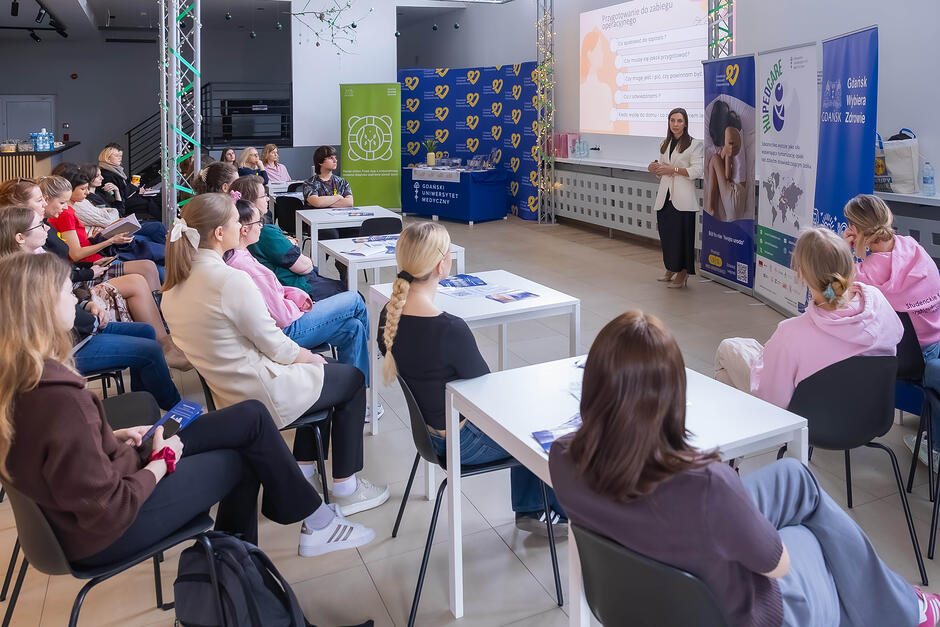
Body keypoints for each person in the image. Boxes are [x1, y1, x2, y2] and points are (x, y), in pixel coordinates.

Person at [550, 310, 940, 627]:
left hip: (641, 601)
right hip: (746, 616)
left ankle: (901, 606)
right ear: (672, 396)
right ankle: (907, 612)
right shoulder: (705, 485)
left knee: (796, 478)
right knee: (816, 538)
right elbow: (777, 565)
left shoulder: (564, 458)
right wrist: (751, 531)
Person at [0, 252, 377, 567]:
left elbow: (62, 454)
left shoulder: (22, 378)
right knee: (244, 455)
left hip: (97, 497)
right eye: (69, 293)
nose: (81, 301)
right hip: (109, 528)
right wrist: (159, 463)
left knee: (250, 417)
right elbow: (108, 506)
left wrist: (110, 437)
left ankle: (294, 531)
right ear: (42, 308)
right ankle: (247, 563)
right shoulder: (58, 397)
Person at [160, 193, 388, 514]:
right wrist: (311, 359)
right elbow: (275, 343)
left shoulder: (173, 290)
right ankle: (347, 487)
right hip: (264, 390)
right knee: (348, 379)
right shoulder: (228, 280)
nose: (243, 225)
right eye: (237, 221)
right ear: (219, 233)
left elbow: (196, 353)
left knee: (332, 373)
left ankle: (306, 468)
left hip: (231, 396)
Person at [378, 222, 567, 533]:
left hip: (428, 435)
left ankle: (534, 507)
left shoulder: (389, 316)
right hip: (462, 441)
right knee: (542, 418)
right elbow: (487, 395)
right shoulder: (449, 329)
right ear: (442, 264)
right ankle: (539, 510)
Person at [0, 208, 182, 409]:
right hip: (64, 345)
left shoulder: (32, 262)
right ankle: (175, 408)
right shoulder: (22, 275)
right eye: (40, 225)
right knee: (151, 350)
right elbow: (55, 320)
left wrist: (88, 304)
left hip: (78, 328)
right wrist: (93, 318)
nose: (46, 228)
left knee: (146, 331)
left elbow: (65, 301)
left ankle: (145, 399)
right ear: (20, 237)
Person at [714, 227, 902, 409]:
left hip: (809, 417)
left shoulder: (792, 332)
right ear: (849, 264)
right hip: (867, 411)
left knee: (728, 349)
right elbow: (897, 333)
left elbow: (773, 399)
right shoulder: (877, 301)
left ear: (801, 273)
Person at [843, 194, 940, 465]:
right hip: (936, 342)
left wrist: (843, 250)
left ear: (859, 231)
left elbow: (829, 294)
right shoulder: (914, 248)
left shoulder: (866, 276)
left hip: (905, 359)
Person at [227, 198, 370, 379]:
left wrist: (293, 296)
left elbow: (274, 294)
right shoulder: (247, 266)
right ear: (244, 229)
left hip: (284, 322)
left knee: (354, 327)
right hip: (289, 330)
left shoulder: (239, 254)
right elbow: (282, 316)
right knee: (355, 299)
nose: (261, 226)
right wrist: (295, 303)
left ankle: (355, 390)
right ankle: (373, 348)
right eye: (258, 222)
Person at [240, 174, 346, 302]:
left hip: (283, 290)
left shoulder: (241, 234)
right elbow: (304, 267)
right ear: (250, 202)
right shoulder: (265, 233)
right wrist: (302, 256)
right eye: (263, 196)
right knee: (352, 293)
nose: (268, 199)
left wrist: (285, 243)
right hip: (298, 290)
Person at [648, 107, 703, 289]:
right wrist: (655, 169)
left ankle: (683, 272)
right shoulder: (665, 143)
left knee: (682, 237)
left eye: (679, 121)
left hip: (683, 199)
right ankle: (671, 267)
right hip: (665, 197)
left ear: (685, 123)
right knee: (668, 235)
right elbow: (664, 172)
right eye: (672, 120)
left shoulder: (694, 144)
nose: (675, 124)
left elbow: (696, 171)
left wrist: (674, 170)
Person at [98, 143, 161, 220]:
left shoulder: (118, 171)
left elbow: (126, 188)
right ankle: (165, 223)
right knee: (150, 202)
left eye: (120, 156)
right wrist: (134, 187)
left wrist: (139, 190)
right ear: (107, 158)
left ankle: (167, 222)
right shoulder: (105, 174)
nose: (120, 158)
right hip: (122, 204)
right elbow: (119, 196)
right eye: (116, 156)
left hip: (129, 199)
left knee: (158, 197)